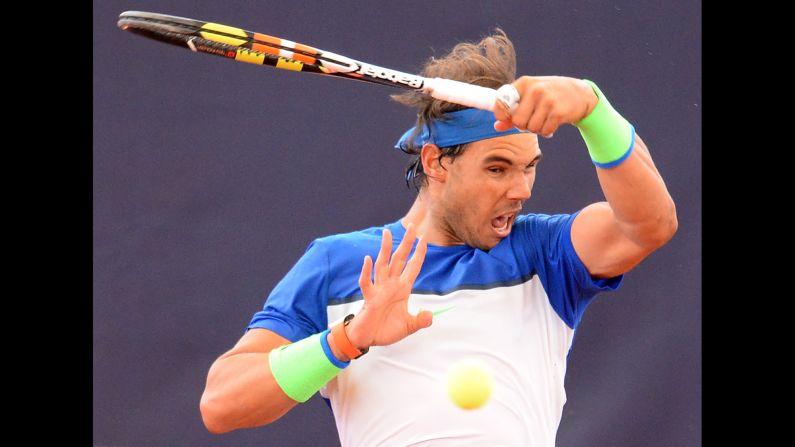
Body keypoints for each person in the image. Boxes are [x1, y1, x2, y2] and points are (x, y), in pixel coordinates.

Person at [199, 29, 677, 446]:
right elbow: (221, 403)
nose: (522, 189)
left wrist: (593, 109)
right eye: (497, 168)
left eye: (529, 168)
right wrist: (348, 339)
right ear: (435, 163)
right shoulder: (338, 263)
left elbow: (650, 225)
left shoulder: (543, 253)